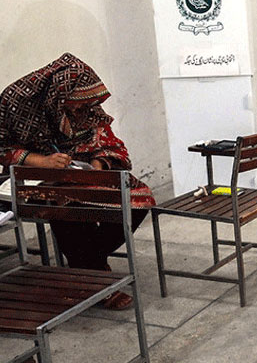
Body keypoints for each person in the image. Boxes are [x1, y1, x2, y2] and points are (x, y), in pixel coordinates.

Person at [0, 53, 155, 310]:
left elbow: (108, 141)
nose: (79, 110)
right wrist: (43, 161)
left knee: (138, 198)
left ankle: (88, 265)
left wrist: (98, 165)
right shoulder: (15, 100)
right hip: (35, 177)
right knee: (67, 205)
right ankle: (96, 277)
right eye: (73, 104)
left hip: (78, 171)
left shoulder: (85, 103)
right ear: (58, 94)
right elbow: (3, 147)